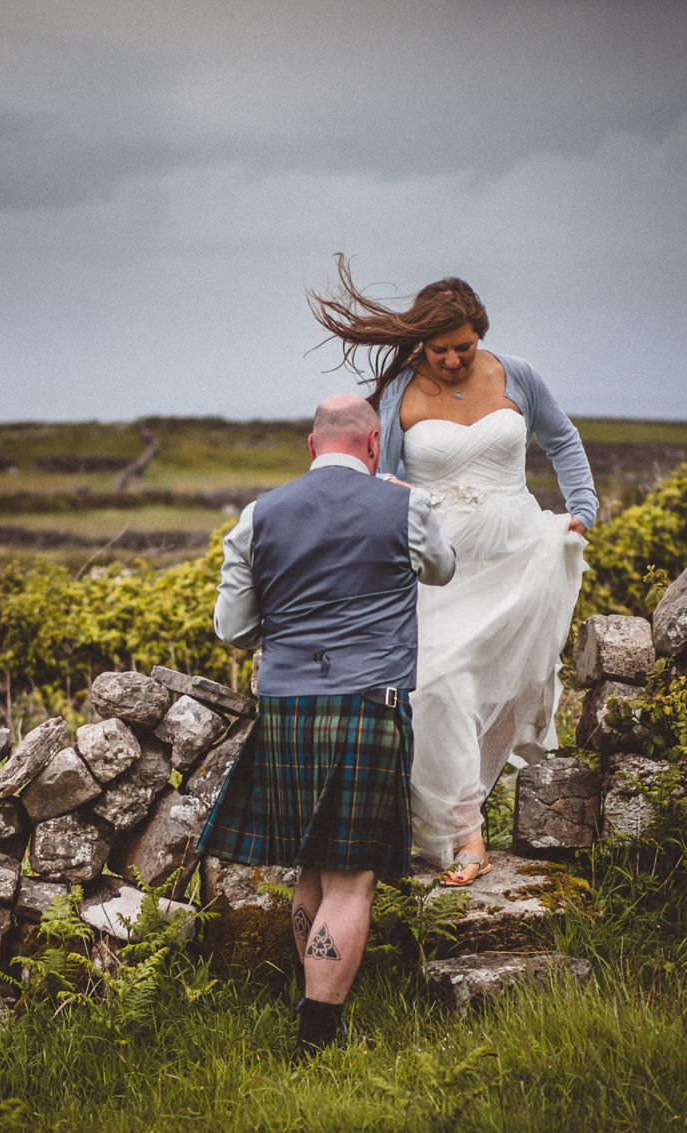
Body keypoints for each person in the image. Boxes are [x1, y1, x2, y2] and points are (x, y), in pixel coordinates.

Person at [308, 256, 595, 886]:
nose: (452, 361)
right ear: (421, 344)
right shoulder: (397, 395)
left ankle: (500, 808)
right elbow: (381, 478)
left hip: (519, 551)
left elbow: (563, 439)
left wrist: (582, 510)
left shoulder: (517, 375)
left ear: (479, 336)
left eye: (463, 347)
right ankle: (466, 831)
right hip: (439, 566)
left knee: (512, 684)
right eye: (440, 350)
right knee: (436, 684)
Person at [200, 393, 456, 1058]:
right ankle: (318, 1036)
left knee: (311, 864)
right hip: (369, 705)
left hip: (286, 706)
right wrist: (404, 503)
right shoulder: (405, 504)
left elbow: (233, 629)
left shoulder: (259, 514)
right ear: (373, 445)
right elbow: (443, 568)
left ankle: (314, 996)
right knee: (352, 877)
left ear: (313, 446)